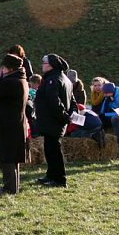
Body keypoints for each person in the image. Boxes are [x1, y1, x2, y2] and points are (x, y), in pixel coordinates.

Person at [0, 54, 30, 195]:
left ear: (9, 68)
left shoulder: (12, 82)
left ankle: (9, 188)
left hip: (8, 124)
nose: (1, 70)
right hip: (13, 123)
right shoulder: (20, 80)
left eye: (3, 67)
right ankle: (11, 186)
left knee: (8, 157)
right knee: (11, 157)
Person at [34, 54, 75, 187]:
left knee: (54, 151)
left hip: (52, 121)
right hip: (54, 121)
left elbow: (54, 102)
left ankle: (59, 179)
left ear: (51, 65)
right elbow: (72, 101)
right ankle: (51, 175)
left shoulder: (53, 79)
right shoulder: (63, 78)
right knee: (50, 148)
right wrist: (70, 115)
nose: (42, 65)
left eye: (44, 62)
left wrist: (64, 116)